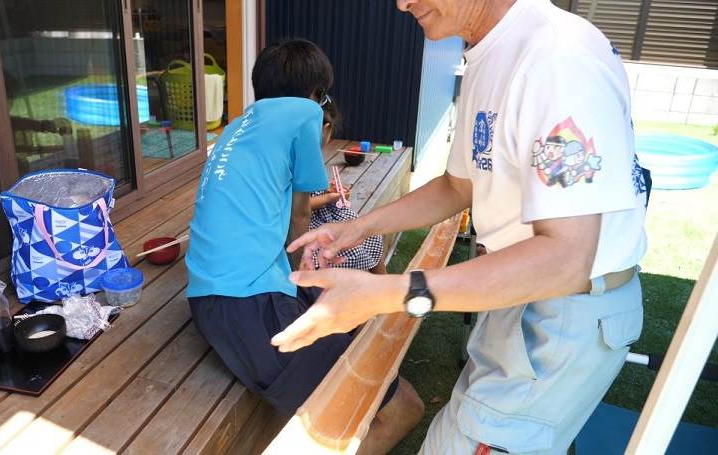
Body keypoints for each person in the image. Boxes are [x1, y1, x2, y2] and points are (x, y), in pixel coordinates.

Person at [274, 1, 648, 453]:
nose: (401, 3)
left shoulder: (555, 60)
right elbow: (458, 186)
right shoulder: (491, 51)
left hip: (561, 311)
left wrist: (387, 294)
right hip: (517, 294)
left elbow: (566, 259)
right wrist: (358, 227)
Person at [185, 39, 424, 454]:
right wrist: (302, 273)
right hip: (249, 306)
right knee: (405, 407)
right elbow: (299, 218)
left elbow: (273, 203)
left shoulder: (238, 125)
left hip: (213, 298)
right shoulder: (305, 114)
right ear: (316, 95)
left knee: (349, 302)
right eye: (323, 97)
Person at [310, 98, 386, 273]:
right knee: (352, 248)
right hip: (310, 223)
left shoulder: (312, 156)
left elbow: (313, 189)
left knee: (370, 233)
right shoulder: (299, 160)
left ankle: (384, 283)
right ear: (325, 129)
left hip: (325, 214)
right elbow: (295, 206)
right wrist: (328, 198)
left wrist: (328, 189)